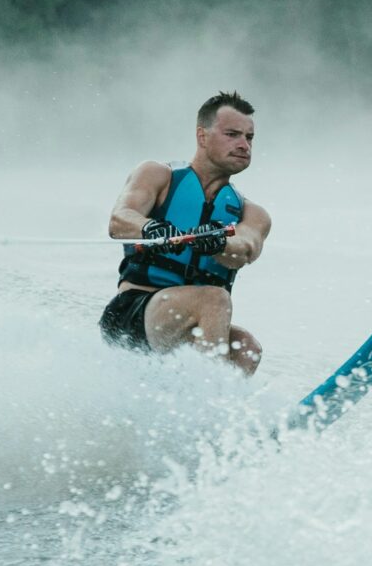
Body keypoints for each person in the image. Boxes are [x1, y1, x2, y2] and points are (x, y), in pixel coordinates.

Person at [99, 92, 272, 373]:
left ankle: (215, 406)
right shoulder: (157, 175)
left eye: (249, 137)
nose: (243, 145)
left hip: (183, 325)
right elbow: (120, 220)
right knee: (214, 298)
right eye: (232, 134)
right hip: (132, 315)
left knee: (246, 347)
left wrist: (218, 242)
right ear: (202, 137)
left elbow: (245, 247)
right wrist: (150, 228)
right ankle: (209, 404)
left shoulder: (253, 214)